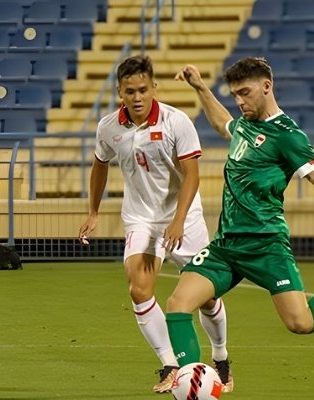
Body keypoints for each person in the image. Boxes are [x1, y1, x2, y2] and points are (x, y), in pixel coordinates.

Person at [165, 57, 314, 368]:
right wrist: (201, 87)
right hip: (226, 246)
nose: (240, 101)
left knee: (301, 323)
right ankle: (188, 381)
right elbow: (221, 123)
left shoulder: (287, 135)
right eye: (235, 96)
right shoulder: (245, 126)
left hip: (266, 246)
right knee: (177, 304)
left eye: (245, 93)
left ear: (266, 86)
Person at [77, 55, 233, 394]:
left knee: (207, 297)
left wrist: (177, 222)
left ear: (153, 88)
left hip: (184, 217)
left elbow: (192, 175)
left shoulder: (177, 122)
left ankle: (220, 357)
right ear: (119, 91)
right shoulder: (108, 127)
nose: (136, 97)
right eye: (129, 91)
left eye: (143, 90)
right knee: (139, 289)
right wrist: (93, 212)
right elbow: (99, 165)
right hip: (141, 219)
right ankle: (171, 366)